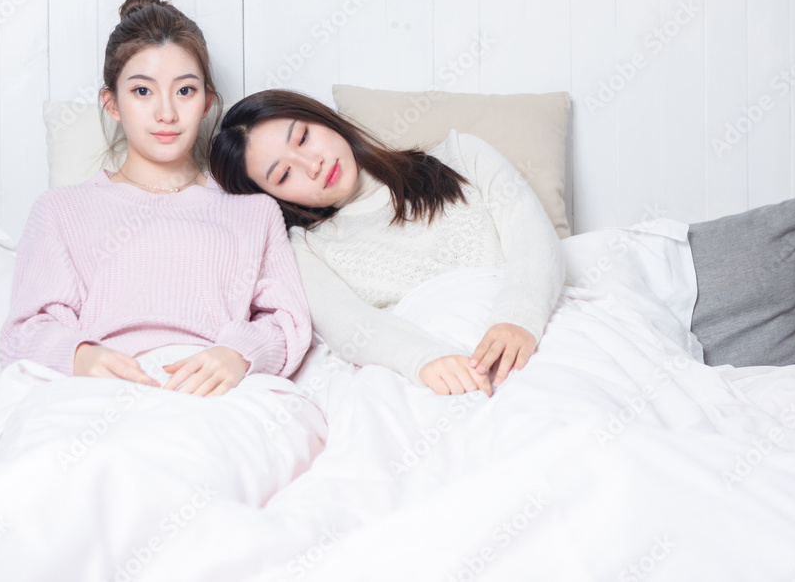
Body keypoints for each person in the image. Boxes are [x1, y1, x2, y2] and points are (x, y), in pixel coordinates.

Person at [0, 0, 311, 397]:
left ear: (206, 103)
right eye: (143, 92)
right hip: (100, 393)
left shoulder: (253, 211)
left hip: (219, 397)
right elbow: (24, 331)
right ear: (112, 104)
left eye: (185, 91)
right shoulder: (60, 210)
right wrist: (78, 355)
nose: (166, 113)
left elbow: (286, 321)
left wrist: (239, 355)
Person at [208, 89, 563, 397]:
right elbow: (348, 322)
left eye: (302, 138)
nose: (311, 165)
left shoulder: (464, 156)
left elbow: (531, 235)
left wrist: (518, 319)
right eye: (284, 175)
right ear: (274, 197)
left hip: (535, 334)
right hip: (431, 375)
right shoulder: (306, 248)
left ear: (323, 119)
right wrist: (425, 360)